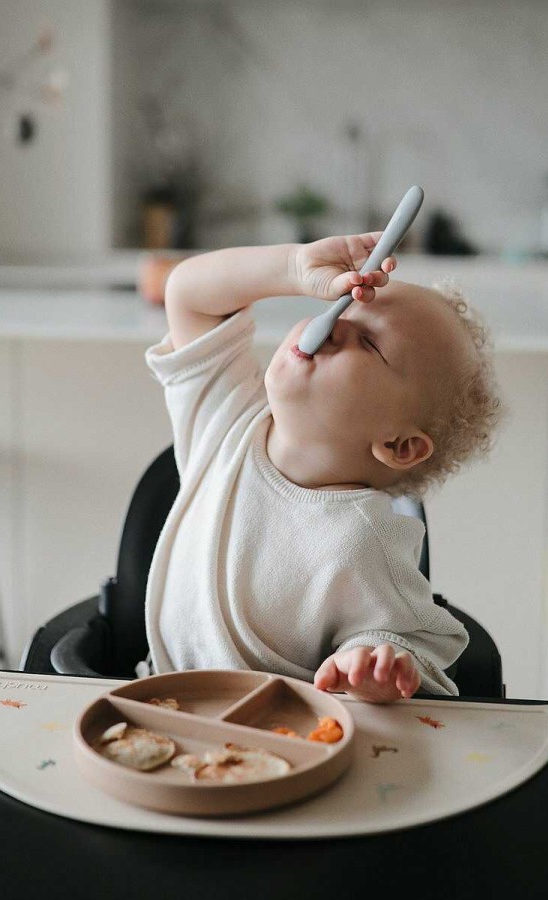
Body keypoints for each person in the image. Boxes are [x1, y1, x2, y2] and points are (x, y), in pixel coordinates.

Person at [144, 232, 502, 702]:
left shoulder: (367, 544)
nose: (331, 324)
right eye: (342, 308)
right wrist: (293, 266)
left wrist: (374, 663)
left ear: (399, 444)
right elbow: (186, 292)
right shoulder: (225, 417)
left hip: (276, 744)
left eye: (370, 344)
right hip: (153, 704)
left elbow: (414, 647)